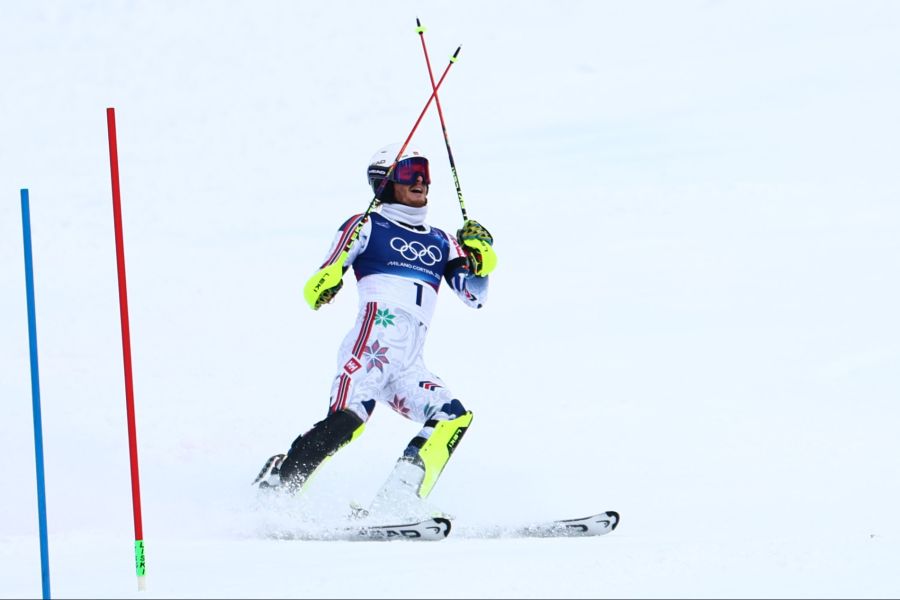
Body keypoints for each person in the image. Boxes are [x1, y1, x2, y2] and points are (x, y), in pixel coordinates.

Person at [253, 142, 497, 519]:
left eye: (425, 173)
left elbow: (473, 296)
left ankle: (399, 499)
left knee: (452, 417)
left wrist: (481, 258)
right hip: (369, 352)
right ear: (384, 182)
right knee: (350, 421)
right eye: (409, 171)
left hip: (408, 366)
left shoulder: (443, 241)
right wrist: (329, 281)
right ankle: (279, 489)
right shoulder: (367, 224)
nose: (420, 181)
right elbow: (314, 291)